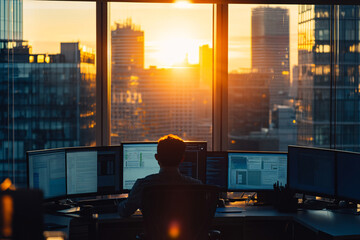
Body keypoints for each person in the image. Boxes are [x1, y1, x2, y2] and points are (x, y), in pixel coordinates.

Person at [118, 134, 202, 217]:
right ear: (182, 159)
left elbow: (125, 212)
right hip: (187, 231)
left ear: (157, 157)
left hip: (154, 231)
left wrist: (121, 203)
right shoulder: (197, 186)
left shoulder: (142, 185)